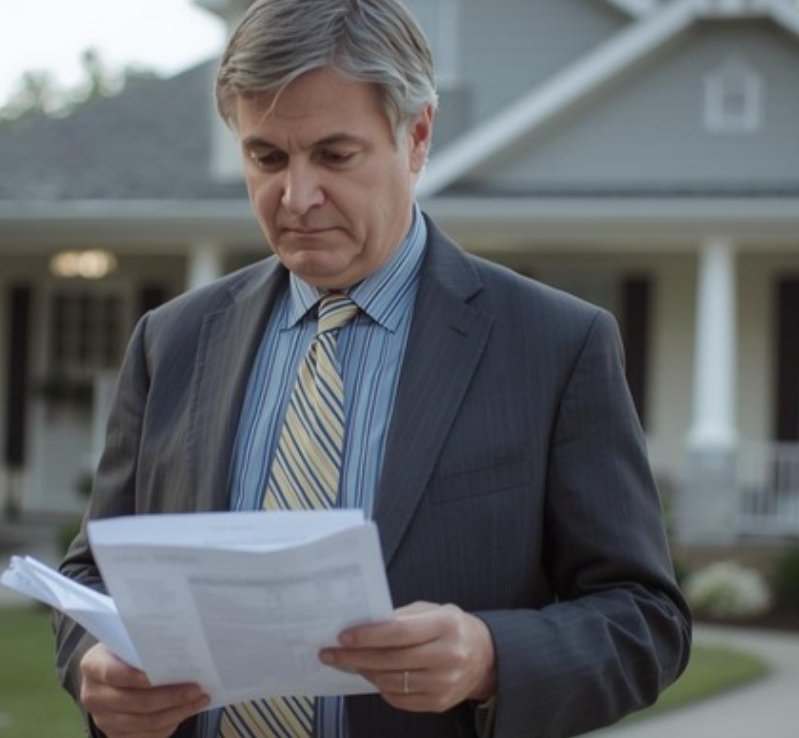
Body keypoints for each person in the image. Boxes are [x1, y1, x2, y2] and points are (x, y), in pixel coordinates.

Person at [53, 0, 691, 736]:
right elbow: (90, 574)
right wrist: (92, 660)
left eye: (334, 154)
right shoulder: (171, 342)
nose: (297, 197)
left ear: (416, 136)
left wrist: (489, 656)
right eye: (266, 157)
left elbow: (647, 620)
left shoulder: (556, 345)